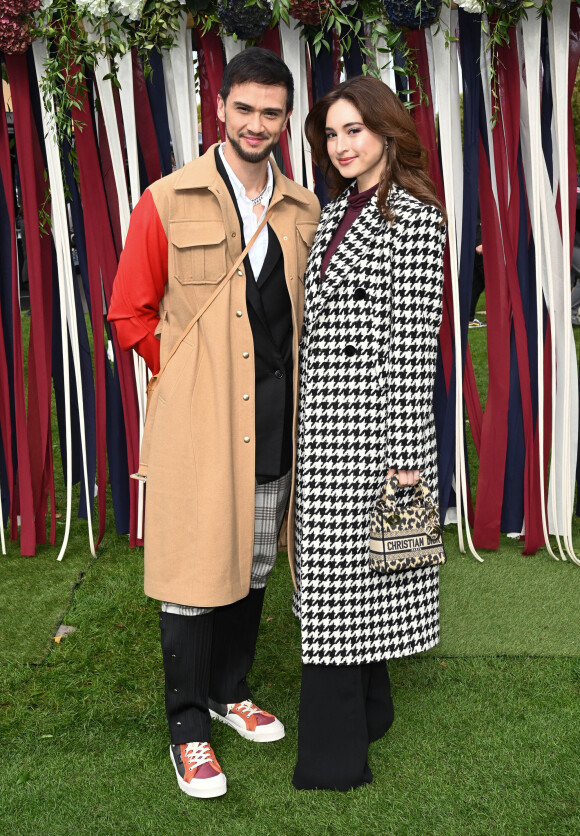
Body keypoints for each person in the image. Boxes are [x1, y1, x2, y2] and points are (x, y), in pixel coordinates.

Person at [108, 47, 320, 799]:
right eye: (245, 109)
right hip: (201, 424)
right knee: (195, 578)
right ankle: (187, 730)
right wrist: (185, 373)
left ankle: (231, 692)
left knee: (253, 562)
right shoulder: (167, 199)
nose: (257, 124)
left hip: (274, 421)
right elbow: (128, 313)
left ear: (285, 120)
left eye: (272, 112)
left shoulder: (303, 209)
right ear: (220, 109)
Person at [291, 76, 447, 791]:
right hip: (322, 429)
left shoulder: (415, 218)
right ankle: (372, 708)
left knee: (337, 595)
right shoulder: (337, 212)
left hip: (371, 441)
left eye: (355, 130)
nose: (342, 145)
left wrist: (407, 461)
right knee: (344, 590)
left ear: (387, 131)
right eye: (331, 133)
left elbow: (416, 347)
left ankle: (334, 759)